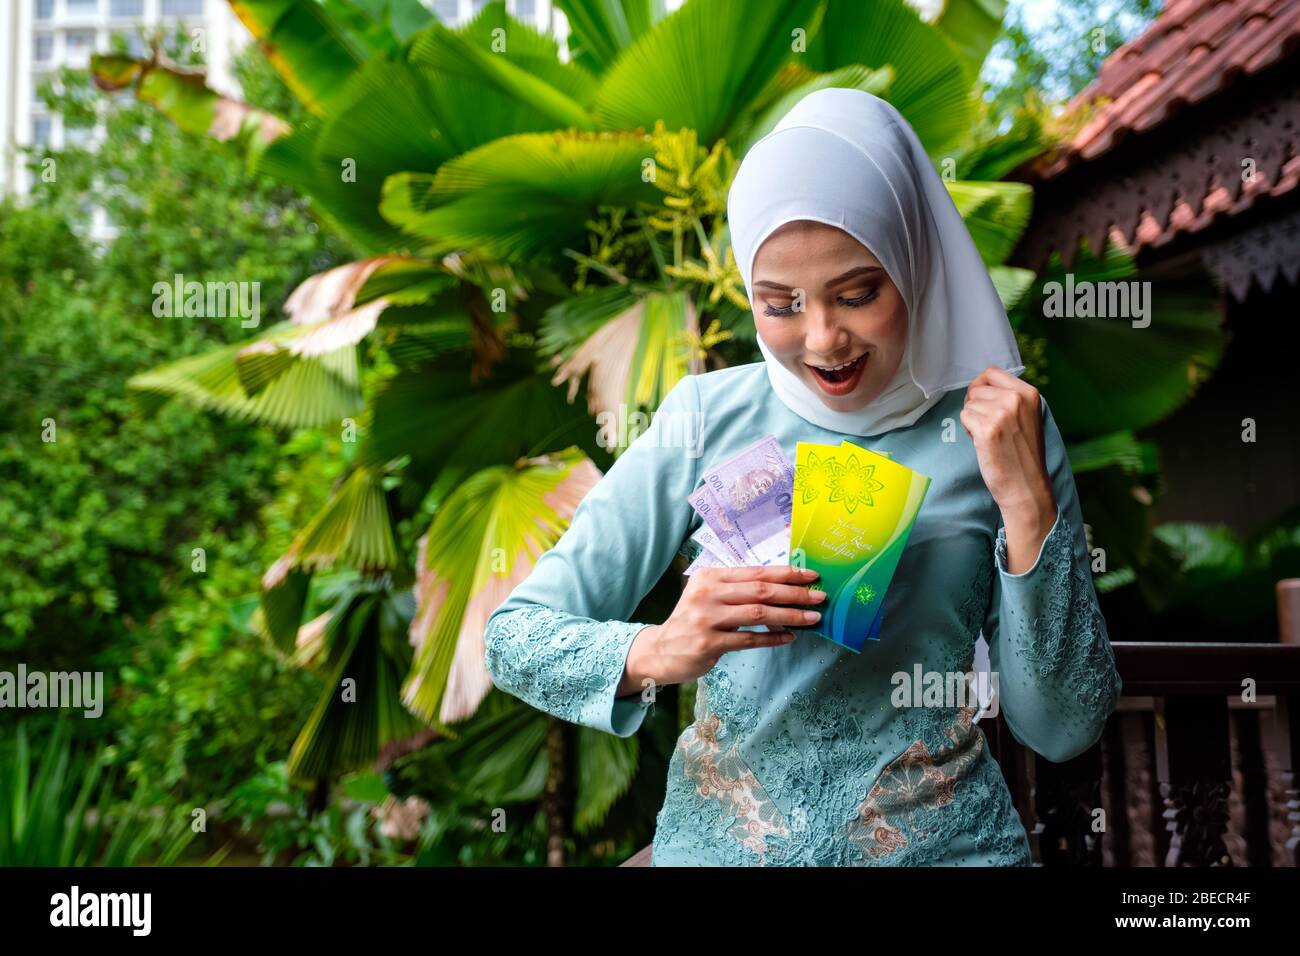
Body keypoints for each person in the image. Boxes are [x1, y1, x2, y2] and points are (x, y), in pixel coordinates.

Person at [483, 88, 1122, 866]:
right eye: (778, 303)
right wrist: (660, 647)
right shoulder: (707, 417)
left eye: (858, 294)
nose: (823, 339)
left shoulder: (1002, 425)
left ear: (914, 264)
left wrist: (1026, 505)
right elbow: (512, 641)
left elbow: (1064, 726)